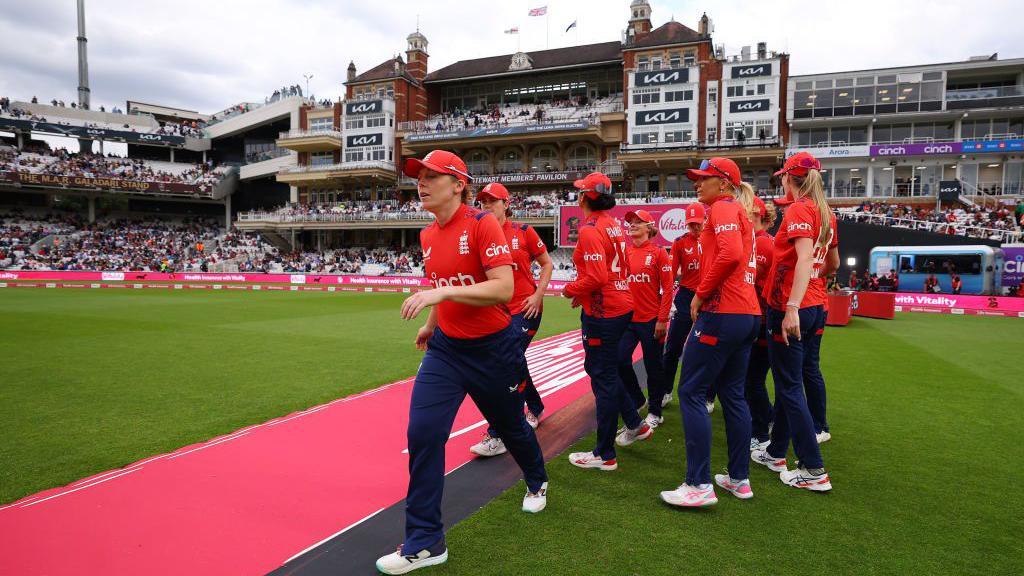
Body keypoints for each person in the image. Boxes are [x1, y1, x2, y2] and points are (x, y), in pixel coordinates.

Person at [376, 150, 548, 575]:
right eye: (418, 176)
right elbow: (441, 284)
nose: (421, 182)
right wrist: (433, 325)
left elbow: (503, 288)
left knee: (511, 427)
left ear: (458, 184)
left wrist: (439, 296)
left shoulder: (482, 223)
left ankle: (537, 479)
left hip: (493, 350)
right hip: (447, 351)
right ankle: (425, 542)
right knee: (423, 435)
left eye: (432, 176)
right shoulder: (427, 235)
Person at [660, 157, 760, 507]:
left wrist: (701, 293)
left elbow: (730, 254)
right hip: (747, 314)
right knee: (733, 394)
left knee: (690, 391)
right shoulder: (738, 213)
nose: (697, 183)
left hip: (723, 312)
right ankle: (738, 478)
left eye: (705, 178)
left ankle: (699, 484)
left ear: (725, 184)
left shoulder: (722, 209)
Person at [751, 151, 838, 491]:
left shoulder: (802, 208)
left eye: (783, 177)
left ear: (790, 178)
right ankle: (775, 452)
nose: (781, 181)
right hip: (815, 303)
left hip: (794, 306)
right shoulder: (826, 212)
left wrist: (790, 306)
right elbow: (830, 264)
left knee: (788, 386)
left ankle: (813, 469)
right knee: (793, 383)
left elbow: (804, 258)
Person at [564, 172, 652, 471]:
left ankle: (604, 454)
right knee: (604, 371)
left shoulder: (591, 229)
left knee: (602, 377)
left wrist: (570, 289)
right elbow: (616, 270)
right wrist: (584, 293)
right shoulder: (613, 225)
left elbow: (597, 276)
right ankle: (634, 422)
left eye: (579, 192)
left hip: (604, 311)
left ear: (586, 197)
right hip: (619, 303)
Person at [469, 182, 554, 457]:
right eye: (483, 202)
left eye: (493, 201)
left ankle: (499, 432)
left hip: (526, 309)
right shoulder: (479, 234)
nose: (487, 207)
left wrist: (538, 295)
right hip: (497, 312)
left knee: (505, 363)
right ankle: (536, 407)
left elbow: (547, 264)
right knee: (514, 362)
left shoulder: (523, 232)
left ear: (506, 204)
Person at [616, 209, 673, 432]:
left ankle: (655, 412)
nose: (632, 224)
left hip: (651, 320)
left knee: (653, 367)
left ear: (649, 227)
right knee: (620, 360)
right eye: (630, 222)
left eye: (638, 222)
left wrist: (662, 319)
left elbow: (668, 288)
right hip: (628, 320)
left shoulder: (659, 253)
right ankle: (638, 400)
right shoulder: (625, 252)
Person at [662, 202, 705, 409]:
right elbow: (670, 274)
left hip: (708, 297)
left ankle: (707, 395)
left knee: (708, 349)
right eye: (691, 224)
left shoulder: (714, 240)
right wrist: (667, 299)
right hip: (686, 296)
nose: (695, 228)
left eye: (698, 223)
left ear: (705, 220)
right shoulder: (680, 243)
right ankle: (665, 390)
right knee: (673, 347)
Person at [746, 196, 777, 452]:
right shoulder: (757, 242)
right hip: (758, 318)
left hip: (762, 320)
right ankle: (765, 420)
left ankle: (761, 430)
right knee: (750, 378)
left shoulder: (764, 244)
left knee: (752, 379)